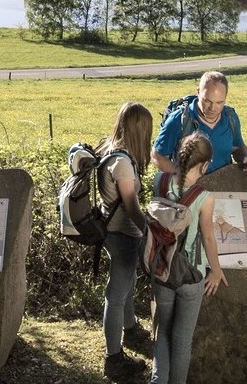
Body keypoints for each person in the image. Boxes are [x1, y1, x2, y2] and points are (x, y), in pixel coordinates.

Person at [151, 131, 227, 384]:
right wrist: (216, 270)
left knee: (162, 332)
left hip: (162, 268)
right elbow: (208, 238)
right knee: (182, 340)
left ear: (179, 157)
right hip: (191, 274)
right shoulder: (204, 197)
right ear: (205, 165)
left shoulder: (160, 182)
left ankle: (157, 380)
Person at [98, 102, 154, 380]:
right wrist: (152, 233)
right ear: (139, 130)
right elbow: (131, 207)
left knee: (127, 283)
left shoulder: (110, 149)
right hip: (121, 234)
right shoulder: (122, 164)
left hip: (114, 231)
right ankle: (114, 359)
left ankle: (130, 328)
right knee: (116, 295)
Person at [151, 71, 247, 181]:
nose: (212, 108)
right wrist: (180, 173)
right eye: (207, 101)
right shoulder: (179, 119)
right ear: (198, 92)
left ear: (226, 97)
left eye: (219, 102)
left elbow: (237, 148)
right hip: (189, 189)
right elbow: (157, 156)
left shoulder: (230, 117)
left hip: (223, 185)